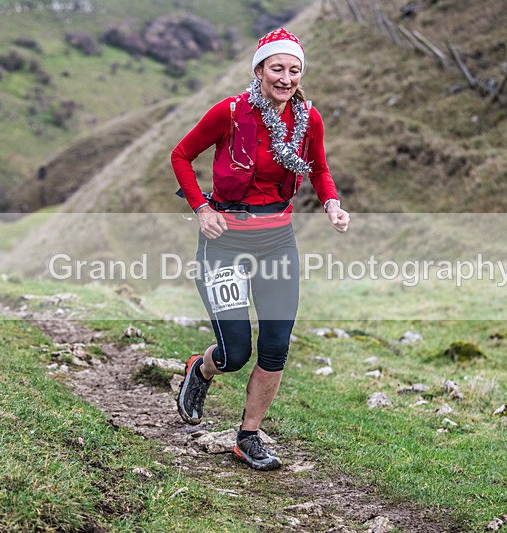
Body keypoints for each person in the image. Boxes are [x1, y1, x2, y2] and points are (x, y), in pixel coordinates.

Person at [170, 27, 350, 471]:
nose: (285, 78)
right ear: (259, 70)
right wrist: (200, 208)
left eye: (294, 70)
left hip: (277, 243)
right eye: (277, 68)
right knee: (235, 353)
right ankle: (202, 369)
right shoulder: (230, 112)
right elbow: (180, 155)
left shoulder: (309, 119)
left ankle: (248, 437)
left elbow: (321, 169)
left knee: (275, 346)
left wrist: (332, 203)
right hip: (225, 241)